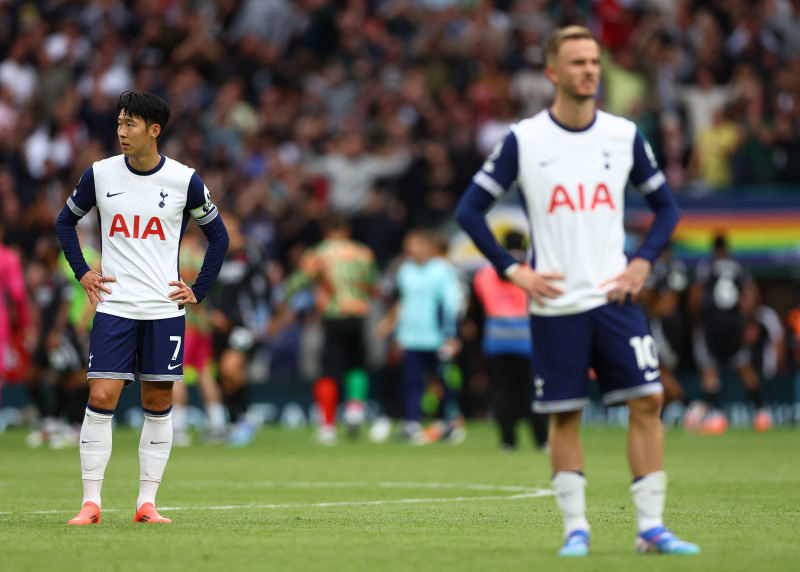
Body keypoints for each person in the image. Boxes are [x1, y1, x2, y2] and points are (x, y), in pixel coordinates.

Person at [455, 26, 699, 556]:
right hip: (555, 302)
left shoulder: (623, 134)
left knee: (648, 399)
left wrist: (641, 263)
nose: (589, 70)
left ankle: (651, 528)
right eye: (577, 62)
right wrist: (510, 269)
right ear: (553, 73)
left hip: (615, 297)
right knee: (564, 414)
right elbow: (469, 210)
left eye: (593, 61)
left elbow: (667, 208)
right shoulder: (524, 140)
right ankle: (576, 529)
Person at [55, 91, 228, 525]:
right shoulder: (99, 174)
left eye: (130, 124)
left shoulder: (184, 180)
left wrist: (199, 290)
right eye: (118, 122)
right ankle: (90, 503)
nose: (121, 131)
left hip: (163, 309)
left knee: (157, 400)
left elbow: (219, 236)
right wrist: (83, 272)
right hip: (115, 307)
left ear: (154, 130)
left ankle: (146, 503)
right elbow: (65, 221)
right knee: (100, 395)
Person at [282, 214, 380, 445]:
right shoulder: (363, 253)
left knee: (328, 370)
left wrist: (283, 304)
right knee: (357, 364)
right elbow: (374, 285)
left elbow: (298, 281)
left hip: (332, 316)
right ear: (346, 230)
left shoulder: (320, 253)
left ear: (327, 230)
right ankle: (355, 409)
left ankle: (328, 426)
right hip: (357, 315)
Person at [376, 229, 463, 443]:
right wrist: (395, 330)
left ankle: (452, 422)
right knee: (411, 382)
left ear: (428, 247)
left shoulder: (442, 270)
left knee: (444, 381)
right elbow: (403, 303)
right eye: (408, 245)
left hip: (437, 337)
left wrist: (452, 335)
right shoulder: (405, 271)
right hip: (411, 337)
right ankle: (411, 423)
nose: (411, 249)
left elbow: (452, 304)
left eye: (415, 245)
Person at [473, 231, 549, 451]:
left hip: (496, 340)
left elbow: (479, 304)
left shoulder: (485, 273)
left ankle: (508, 441)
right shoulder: (530, 271)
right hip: (528, 340)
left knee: (501, 391)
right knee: (531, 391)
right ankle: (541, 440)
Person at [687, 235, 769, 434]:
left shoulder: (706, 267)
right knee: (744, 367)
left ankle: (716, 415)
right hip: (734, 325)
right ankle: (761, 414)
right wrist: (750, 321)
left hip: (713, 325)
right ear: (727, 249)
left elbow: (695, 297)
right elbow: (751, 293)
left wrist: (696, 322)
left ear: (715, 250)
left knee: (709, 369)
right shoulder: (738, 267)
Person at [206, 211, 269, 447]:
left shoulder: (250, 254)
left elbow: (263, 288)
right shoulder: (215, 254)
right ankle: (234, 422)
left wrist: (267, 319)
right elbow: (208, 290)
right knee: (223, 377)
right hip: (218, 327)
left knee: (230, 368)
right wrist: (211, 314)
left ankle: (247, 418)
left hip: (245, 324)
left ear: (238, 227)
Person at [171, 231, 227, 446]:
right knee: (205, 373)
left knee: (176, 373)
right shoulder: (204, 255)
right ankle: (217, 425)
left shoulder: (174, 255)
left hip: (181, 322)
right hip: (203, 324)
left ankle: (178, 429)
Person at [639, 245, 689, 409]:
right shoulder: (678, 267)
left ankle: (691, 406)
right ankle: (660, 417)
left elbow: (646, 294)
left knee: (658, 371)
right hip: (677, 324)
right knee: (667, 373)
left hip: (663, 324)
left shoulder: (658, 268)